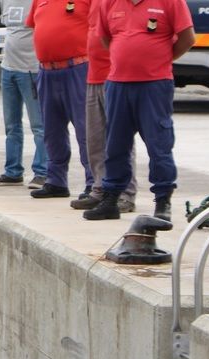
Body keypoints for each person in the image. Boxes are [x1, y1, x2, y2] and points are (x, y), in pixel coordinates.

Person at [83, 0, 194, 221]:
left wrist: (160, 59)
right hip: (118, 84)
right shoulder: (109, 3)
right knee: (115, 144)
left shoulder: (170, 2)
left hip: (154, 85)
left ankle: (163, 201)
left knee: (158, 144)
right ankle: (111, 199)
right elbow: (106, 39)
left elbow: (187, 38)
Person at [70, 0, 136, 213]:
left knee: (120, 139)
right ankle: (100, 188)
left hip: (115, 78)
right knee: (95, 140)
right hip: (93, 76)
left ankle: (125, 194)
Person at [26, 0, 93, 200]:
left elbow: (102, 26)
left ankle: (93, 182)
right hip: (47, 71)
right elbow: (35, 26)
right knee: (51, 130)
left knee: (86, 129)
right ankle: (56, 181)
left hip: (78, 69)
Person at [0, 0, 48, 190]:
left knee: (39, 125)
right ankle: (13, 171)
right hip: (8, 68)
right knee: (11, 125)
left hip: (30, 69)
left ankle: (42, 172)